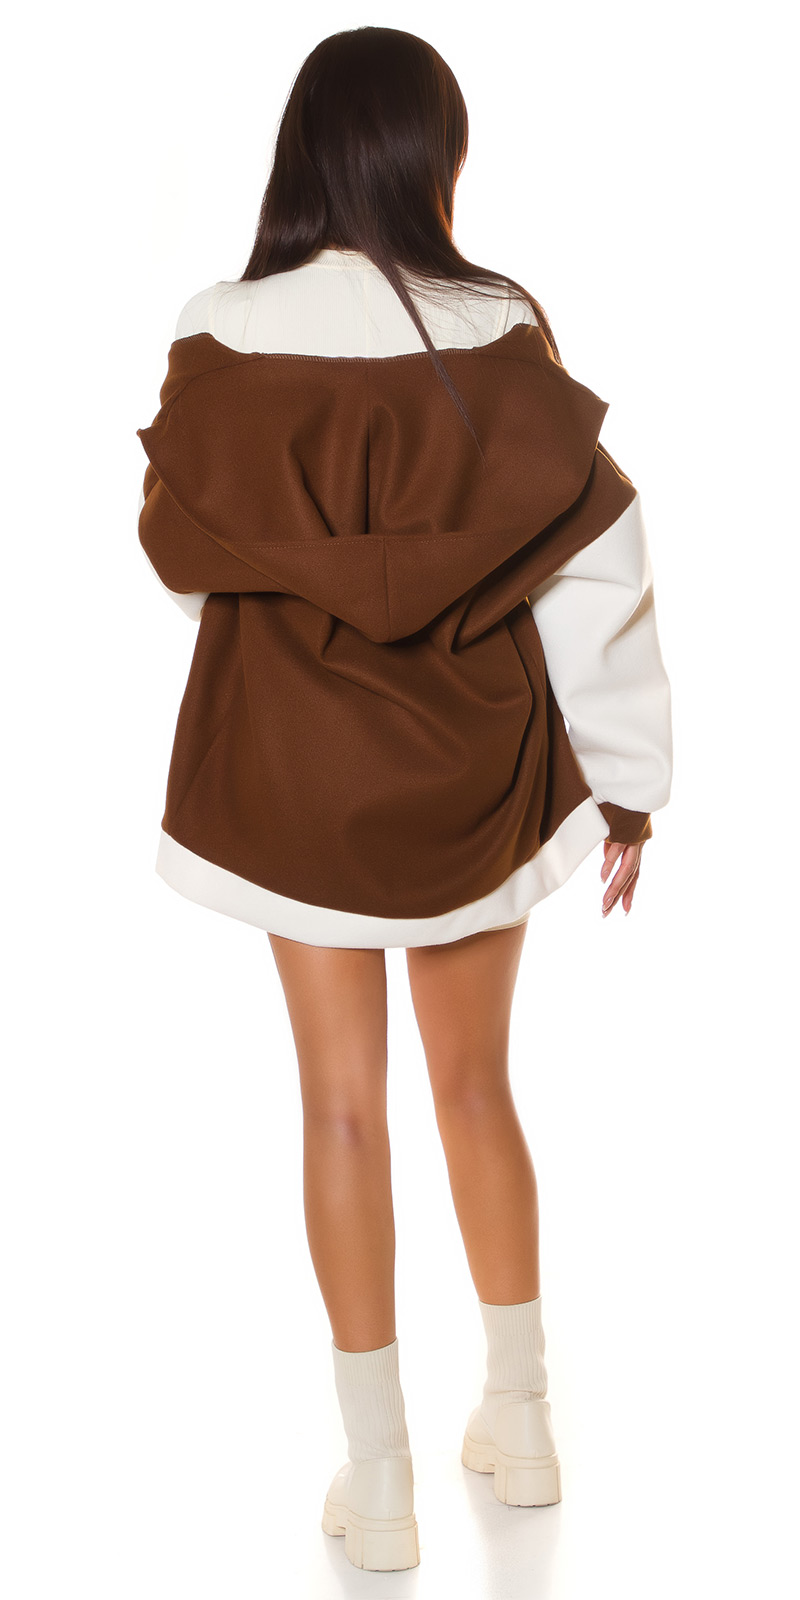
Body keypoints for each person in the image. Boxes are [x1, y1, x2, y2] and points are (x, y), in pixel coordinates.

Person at [136, 25, 673, 1574]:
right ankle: (523, 1419)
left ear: (303, 151)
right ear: (437, 155)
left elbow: (187, 563)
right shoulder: (502, 326)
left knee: (340, 1108)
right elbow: (594, 569)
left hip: (291, 783)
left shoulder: (219, 330)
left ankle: (379, 1484)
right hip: (470, 776)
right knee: (475, 1089)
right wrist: (629, 788)